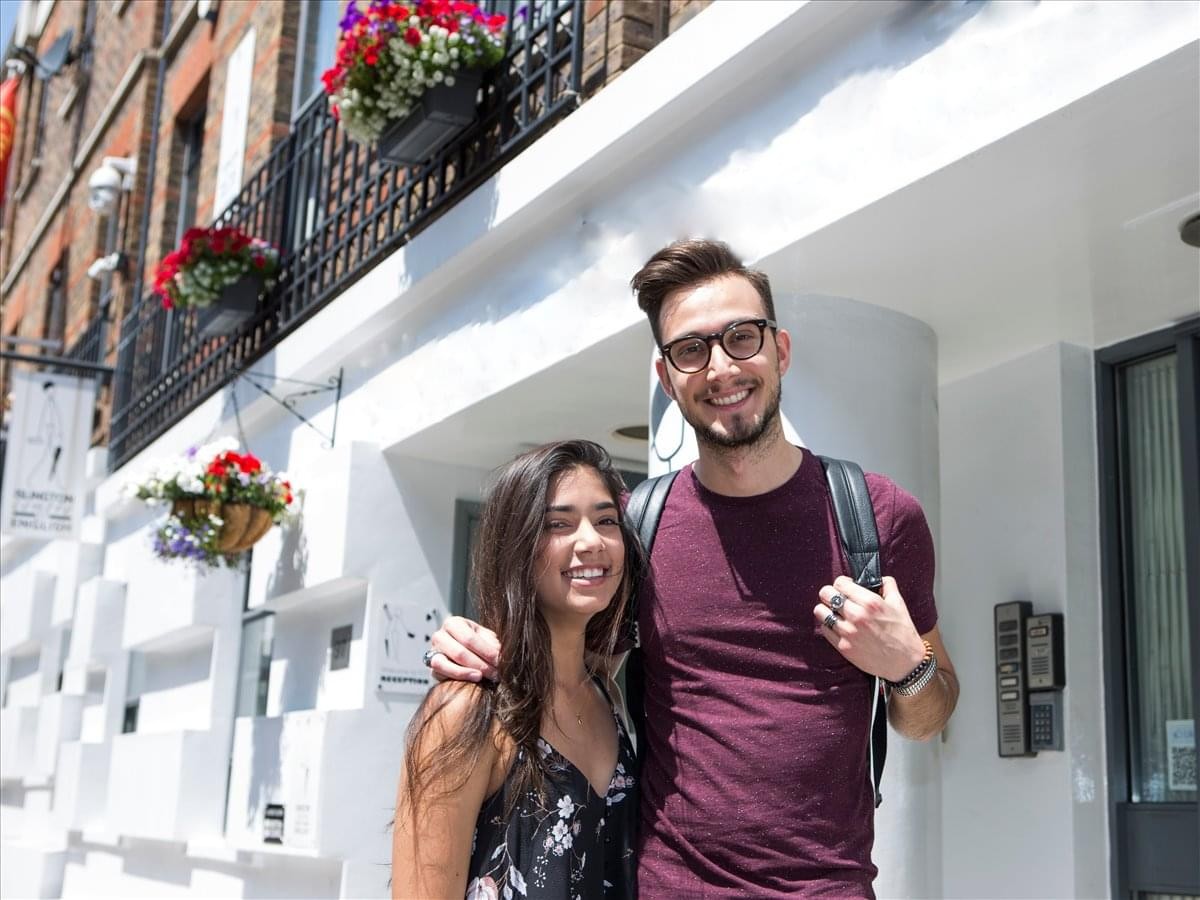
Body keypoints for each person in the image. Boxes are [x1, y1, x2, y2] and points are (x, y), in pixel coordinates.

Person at [427, 240, 960, 898]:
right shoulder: (633, 531)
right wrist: (479, 644)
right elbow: (569, 668)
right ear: (667, 376)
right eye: (691, 349)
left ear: (780, 349)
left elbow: (932, 716)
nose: (721, 367)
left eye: (742, 337)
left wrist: (906, 667)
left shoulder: (878, 517)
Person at [392, 440, 645, 900]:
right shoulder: (468, 710)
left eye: (606, 520)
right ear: (517, 547)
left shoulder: (607, 694)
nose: (591, 540)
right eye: (558, 524)